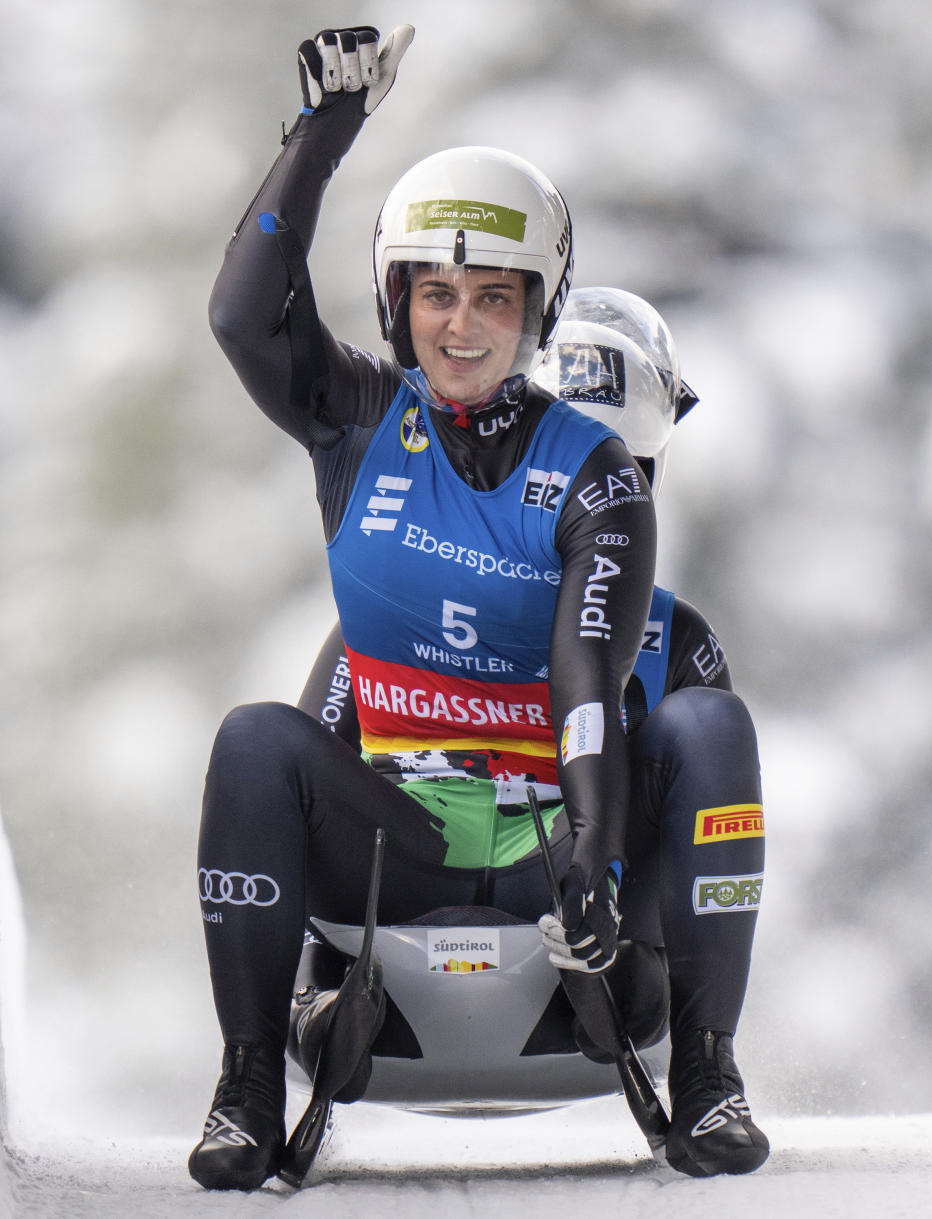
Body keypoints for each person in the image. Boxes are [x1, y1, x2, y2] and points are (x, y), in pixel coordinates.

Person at [191, 26, 658, 1192]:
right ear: (397, 302)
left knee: (698, 728)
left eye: (492, 297)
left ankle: (694, 1051)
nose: (460, 325)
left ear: (537, 309)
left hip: (550, 837)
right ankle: (247, 1081)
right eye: (436, 294)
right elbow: (245, 319)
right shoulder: (356, 417)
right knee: (256, 738)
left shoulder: (594, 469)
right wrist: (324, 131)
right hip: (404, 831)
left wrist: (595, 864)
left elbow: (588, 681)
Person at [296, 287, 770, 1180]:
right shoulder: (399, 616)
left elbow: (708, 813)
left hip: (593, 938)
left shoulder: (678, 640)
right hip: (412, 906)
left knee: (709, 725)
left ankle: (706, 1059)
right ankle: (322, 1007)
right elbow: (309, 774)